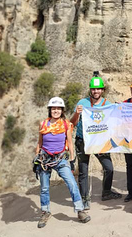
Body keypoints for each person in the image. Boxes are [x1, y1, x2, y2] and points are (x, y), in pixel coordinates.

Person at [34, 97, 90, 228]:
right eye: (53, 108)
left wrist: (71, 160)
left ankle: (80, 210)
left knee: (71, 183)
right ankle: (45, 211)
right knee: (44, 188)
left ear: (62, 110)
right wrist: (36, 158)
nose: (56, 111)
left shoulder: (66, 124)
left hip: (60, 159)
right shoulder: (43, 124)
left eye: (58, 109)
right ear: (50, 110)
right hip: (45, 160)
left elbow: (70, 143)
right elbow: (40, 142)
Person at [70, 73, 121, 210]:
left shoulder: (107, 104)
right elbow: (72, 124)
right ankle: (84, 199)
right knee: (83, 171)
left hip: (100, 141)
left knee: (109, 168)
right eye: (93, 89)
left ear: (103, 90)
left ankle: (106, 192)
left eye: (98, 89)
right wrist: (77, 114)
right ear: (90, 90)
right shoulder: (82, 103)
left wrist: (118, 109)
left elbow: (114, 121)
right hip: (83, 141)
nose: (96, 91)